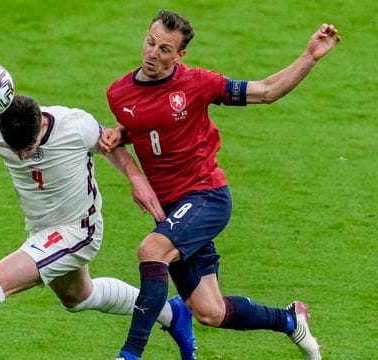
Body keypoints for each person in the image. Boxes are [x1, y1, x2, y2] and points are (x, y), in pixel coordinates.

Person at [0, 95, 198, 360]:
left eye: (28, 150)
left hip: (77, 231)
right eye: (16, 152)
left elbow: (111, 145)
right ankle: (172, 314)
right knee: (78, 297)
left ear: (42, 124)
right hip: (43, 230)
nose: (23, 157)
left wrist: (136, 179)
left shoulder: (75, 125)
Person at [99, 10, 341, 360]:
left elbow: (267, 91)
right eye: (150, 43)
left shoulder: (198, 83)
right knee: (210, 312)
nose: (153, 53)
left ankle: (130, 354)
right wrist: (119, 134)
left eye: (165, 49)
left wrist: (309, 56)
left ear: (180, 55)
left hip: (206, 197)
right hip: (171, 211)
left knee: (152, 252)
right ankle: (290, 320)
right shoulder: (119, 93)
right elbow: (145, 129)